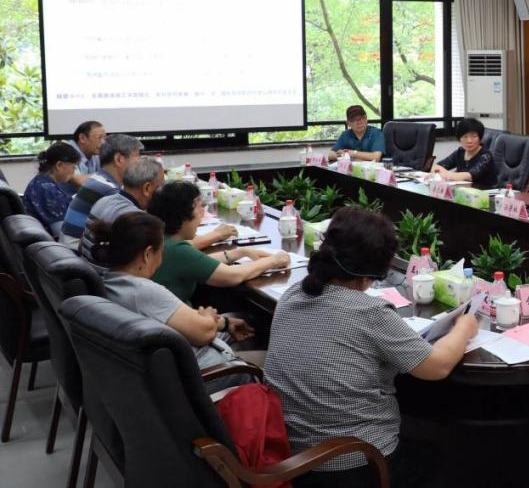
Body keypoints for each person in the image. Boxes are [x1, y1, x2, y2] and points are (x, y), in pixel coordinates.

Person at [265, 206, 477, 488]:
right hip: (353, 464)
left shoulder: (293, 293)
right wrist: (464, 327)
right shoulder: (369, 312)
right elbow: (438, 366)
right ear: (373, 273)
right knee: (442, 457)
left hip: (290, 456)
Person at [95, 212, 250, 372]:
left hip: (164, 368)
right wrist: (209, 317)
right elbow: (205, 332)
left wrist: (223, 323)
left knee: (238, 320)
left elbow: (171, 316)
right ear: (147, 254)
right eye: (161, 252)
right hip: (212, 374)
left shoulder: (108, 283)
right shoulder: (143, 291)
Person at [147, 181, 290, 304]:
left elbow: (198, 261)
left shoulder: (160, 240)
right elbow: (233, 276)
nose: (203, 212)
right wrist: (273, 261)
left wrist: (240, 252)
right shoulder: (177, 250)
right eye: (200, 207)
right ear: (183, 213)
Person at [59, 133, 143, 247]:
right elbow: (135, 225)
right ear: (119, 159)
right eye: (137, 158)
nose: (140, 164)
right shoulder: (108, 189)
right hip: (76, 250)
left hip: (71, 247)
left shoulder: (98, 179)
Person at [80, 157, 166, 262]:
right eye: (161, 187)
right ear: (147, 188)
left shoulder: (102, 201)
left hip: (87, 268)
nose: (163, 192)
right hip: (107, 272)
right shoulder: (137, 220)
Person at [22, 142, 81, 237]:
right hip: (52, 243)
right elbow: (62, 233)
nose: (74, 172)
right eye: (73, 167)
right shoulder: (49, 191)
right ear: (59, 165)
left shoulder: (39, 181)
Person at [430, 117, 497, 188]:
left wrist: (445, 174)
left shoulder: (486, 156)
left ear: (480, 138)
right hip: (463, 191)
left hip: (485, 192)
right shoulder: (460, 152)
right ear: (459, 139)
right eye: (465, 137)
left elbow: (468, 176)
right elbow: (436, 167)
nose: (469, 141)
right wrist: (439, 173)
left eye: (474, 136)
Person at [64, 120, 106, 189]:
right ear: (82, 138)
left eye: (104, 138)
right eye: (99, 137)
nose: (103, 142)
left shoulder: (95, 153)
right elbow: (79, 181)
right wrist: (107, 176)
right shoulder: (66, 151)